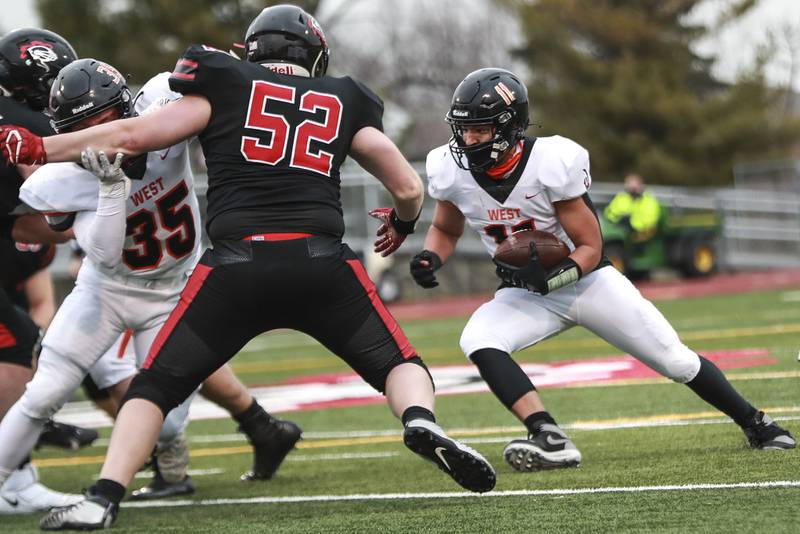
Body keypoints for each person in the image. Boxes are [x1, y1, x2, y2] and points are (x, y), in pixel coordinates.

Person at [0, 5, 497, 528]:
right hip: (321, 259)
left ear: (252, 51)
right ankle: (419, 419)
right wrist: (402, 222)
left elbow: (133, 136)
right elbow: (408, 186)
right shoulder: (345, 96)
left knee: (152, 388)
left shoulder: (223, 82)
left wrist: (39, 145)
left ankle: (103, 496)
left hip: (233, 265)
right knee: (399, 363)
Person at [407, 68, 795, 473]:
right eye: (463, 130)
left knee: (676, 362)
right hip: (525, 292)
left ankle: (757, 423)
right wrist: (432, 257)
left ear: (509, 126)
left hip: (587, 283)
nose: (467, 141)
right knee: (479, 338)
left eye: (480, 131)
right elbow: (444, 228)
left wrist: (557, 277)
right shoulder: (450, 169)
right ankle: (547, 435)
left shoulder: (551, 161)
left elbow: (591, 247)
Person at [0, 56, 303, 515]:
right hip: (106, 291)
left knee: (162, 425)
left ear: (127, 106)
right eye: (89, 127)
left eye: (108, 120)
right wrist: (109, 189)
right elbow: (100, 255)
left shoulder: (163, 104)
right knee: (44, 393)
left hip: (175, 291)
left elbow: (226, 86)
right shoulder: (58, 180)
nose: (104, 134)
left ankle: (175, 455)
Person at [0, 27, 84, 515]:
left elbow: (22, 224)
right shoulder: (27, 122)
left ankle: (19, 473)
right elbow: (53, 209)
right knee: (17, 345)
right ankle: (13, 477)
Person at [604, 173, 661, 240]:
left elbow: (652, 219)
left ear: (641, 186)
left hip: (643, 233)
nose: (633, 189)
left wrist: (633, 221)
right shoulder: (621, 198)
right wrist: (620, 218)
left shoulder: (649, 200)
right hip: (621, 231)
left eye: (635, 186)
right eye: (630, 186)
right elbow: (609, 213)